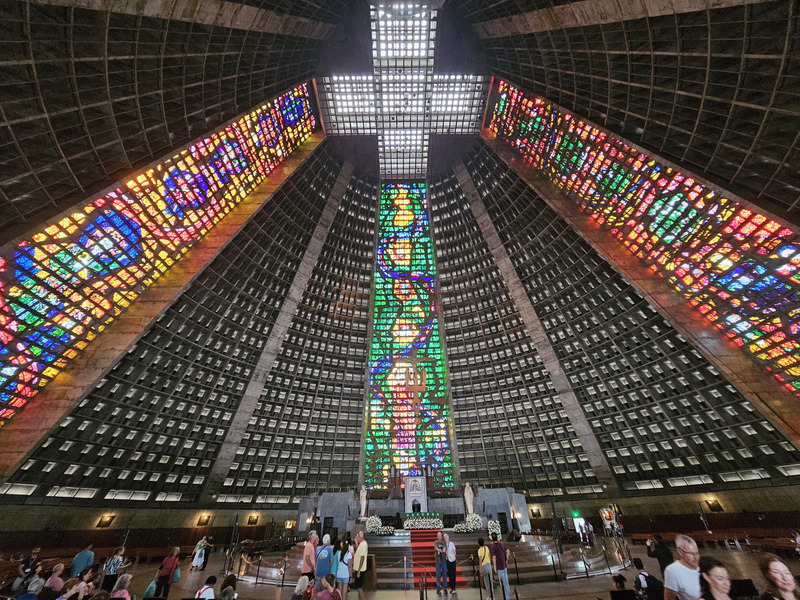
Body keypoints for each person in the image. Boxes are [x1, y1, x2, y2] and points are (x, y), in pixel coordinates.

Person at [664, 534, 701, 600]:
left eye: (697, 553)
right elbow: (669, 597)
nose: (696, 557)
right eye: (691, 554)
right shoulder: (672, 570)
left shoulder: (704, 564)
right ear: (680, 552)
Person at [491, 533, 510, 600]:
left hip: (499, 566)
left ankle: (506, 597)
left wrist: (495, 567)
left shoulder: (493, 546)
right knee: (506, 582)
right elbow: (507, 551)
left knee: (503, 583)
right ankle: (507, 597)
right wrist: (506, 559)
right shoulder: (501, 543)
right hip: (504, 565)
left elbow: (494, 557)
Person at [351, 530, 368, 600]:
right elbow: (358, 551)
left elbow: (362, 558)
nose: (356, 538)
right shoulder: (361, 544)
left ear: (360, 537)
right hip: (358, 568)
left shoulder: (363, 544)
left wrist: (359, 571)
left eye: (357, 536)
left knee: (359, 587)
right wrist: (356, 543)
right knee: (358, 587)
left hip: (360, 569)